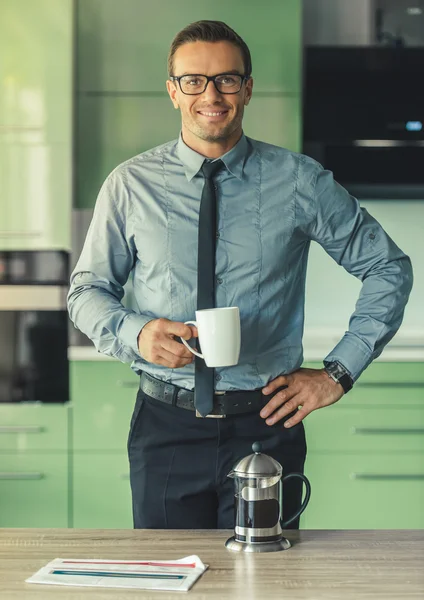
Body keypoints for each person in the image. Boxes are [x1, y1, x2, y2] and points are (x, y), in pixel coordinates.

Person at [68, 20, 413, 530]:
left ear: (247, 89)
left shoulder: (301, 181)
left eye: (227, 79)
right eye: (194, 80)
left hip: (267, 426)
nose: (211, 94)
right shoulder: (129, 185)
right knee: (171, 580)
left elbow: (388, 266)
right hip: (165, 426)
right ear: (173, 91)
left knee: (264, 580)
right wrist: (135, 332)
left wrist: (338, 372)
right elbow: (86, 292)